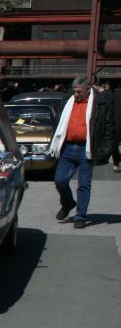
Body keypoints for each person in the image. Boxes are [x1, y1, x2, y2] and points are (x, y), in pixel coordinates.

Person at [48, 76, 116, 229]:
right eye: (74, 91)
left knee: (84, 184)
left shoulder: (100, 103)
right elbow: (59, 122)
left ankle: (80, 216)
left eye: (79, 92)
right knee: (60, 180)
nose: (76, 94)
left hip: (86, 148)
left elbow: (110, 127)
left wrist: (106, 149)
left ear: (87, 89)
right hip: (67, 147)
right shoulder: (68, 101)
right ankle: (68, 203)